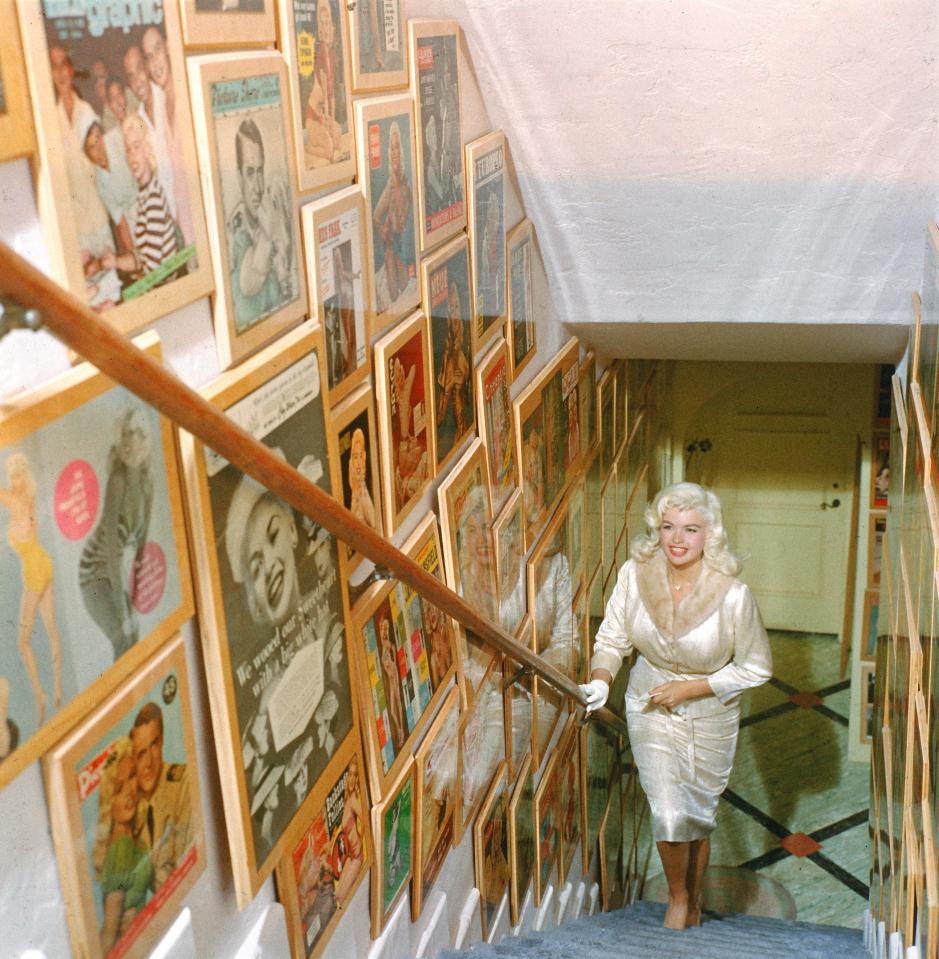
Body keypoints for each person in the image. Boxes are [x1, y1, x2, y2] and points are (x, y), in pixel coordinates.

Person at [580, 482, 772, 930]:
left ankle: (696, 894)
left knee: (696, 815)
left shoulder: (732, 595)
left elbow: (757, 668)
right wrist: (601, 679)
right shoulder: (635, 574)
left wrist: (692, 688)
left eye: (691, 529)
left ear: (711, 535)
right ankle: (679, 898)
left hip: (710, 713)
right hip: (648, 705)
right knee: (667, 811)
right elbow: (612, 638)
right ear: (657, 529)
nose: (677, 540)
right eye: (668, 527)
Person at [79, 407, 154, 659]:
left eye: (133, 433)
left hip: (115, 569)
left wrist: (136, 601)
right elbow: (112, 552)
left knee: (135, 636)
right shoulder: (117, 482)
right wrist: (124, 612)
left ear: (145, 439)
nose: (127, 441)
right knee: (122, 637)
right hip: (94, 572)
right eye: (123, 434)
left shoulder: (147, 484)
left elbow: (141, 550)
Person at [0, 453, 64, 726]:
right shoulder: (30, 497)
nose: (11, 480)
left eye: (15, 474)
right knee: (51, 631)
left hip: (35, 571)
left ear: (21, 475)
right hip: (41, 562)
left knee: (22, 642)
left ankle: (40, 695)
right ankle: (57, 689)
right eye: (9, 474)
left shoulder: (15, 500)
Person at [228, 118, 295, 330]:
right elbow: (245, 296)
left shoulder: (276, 208)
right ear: (239, 176)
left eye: (260, 171)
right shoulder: (235, 234)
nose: (257, 186)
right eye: (249, 173)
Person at [92, 736, 153, 954]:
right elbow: (109, 933)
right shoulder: (120, 849)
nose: (128, 792)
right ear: (110, 800)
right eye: (118, 789)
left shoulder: (135, 843)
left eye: (132, 777)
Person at [130, 701, 193, 890]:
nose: (148, 762)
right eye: (141, 754)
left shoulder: (183, 783)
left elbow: (186, 873)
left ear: (163, 741)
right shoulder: (130, 808)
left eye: (154, 745)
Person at [373, 121, 413, 304]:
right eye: (391, 148)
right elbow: (375, 217)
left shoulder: (405, 185)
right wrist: (383, 231)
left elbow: (412, 204)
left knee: (406, 293)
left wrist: (405, 217)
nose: (394, 153)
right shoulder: (389, 187)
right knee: (395, 298)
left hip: (402, 247)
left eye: (397, 148)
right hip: (390, 248)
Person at [347, 427, 377, 530]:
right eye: (355, 457)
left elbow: (373, 522)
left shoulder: (363, 486)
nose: (359, 462)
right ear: (351, 461)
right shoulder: (356, 491)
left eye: (361, 456)